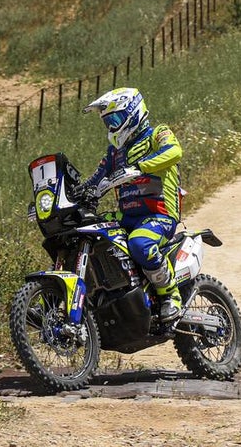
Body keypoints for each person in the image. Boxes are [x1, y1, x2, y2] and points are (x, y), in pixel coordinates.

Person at [76, 87, 184, 321]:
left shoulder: (158, 134)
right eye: (108, 122)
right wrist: (76, 193)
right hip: (127, 218)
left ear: (132, 112)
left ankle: (170, 295)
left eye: (115, 119)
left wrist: (140, 168)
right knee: (85, 234)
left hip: (159, 214)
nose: (112, 127)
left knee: (140, 244)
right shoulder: (115, 152)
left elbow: (174, 152)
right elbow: (96, 177)